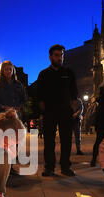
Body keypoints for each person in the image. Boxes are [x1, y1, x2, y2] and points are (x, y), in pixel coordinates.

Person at [37, 44, 78, 177]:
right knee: (49, 141)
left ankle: (66, 167)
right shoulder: (44, 74)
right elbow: (39, 94)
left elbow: (74, 92)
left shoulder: (68, 73)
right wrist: (43, 110)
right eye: (56, 55)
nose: (59, 58)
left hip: (65, 112)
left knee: (66, 140)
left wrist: (72, 107)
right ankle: (49, 167)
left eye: (61, 55)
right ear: (50, 57)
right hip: (49, 112)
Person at [0, 60, 27, 176]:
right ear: (2, 71)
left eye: (10, 69)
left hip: (15, 117)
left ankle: (10, 167)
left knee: (14, 143)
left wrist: (19, 107)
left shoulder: (18, 85)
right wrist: (3, 107)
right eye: (6, 69)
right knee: (1, 143)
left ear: (13, 70)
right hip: (2, 118)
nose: (8, 71)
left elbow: (24, 99)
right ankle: (1, 167)